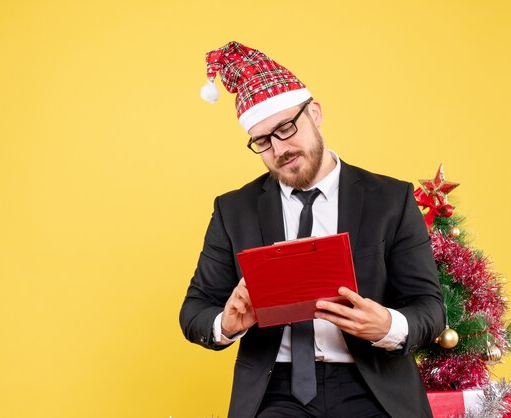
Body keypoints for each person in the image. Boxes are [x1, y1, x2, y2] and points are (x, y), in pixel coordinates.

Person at [179, 41, 445, 418]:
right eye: (263, 140)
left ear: (315, 113)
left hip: (372, 385)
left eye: (286, 128)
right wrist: (227, 322)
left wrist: (387, 325)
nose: (279, 149)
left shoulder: (390, 199)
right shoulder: (233, 210)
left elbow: (430, 308)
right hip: (277, 389)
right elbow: (194, 311)